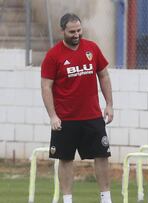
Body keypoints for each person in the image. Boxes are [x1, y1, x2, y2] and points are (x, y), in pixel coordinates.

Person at [41, 13, 114, 203]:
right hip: (65, 119)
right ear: (62, 31)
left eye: (79, 30)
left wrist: (109, 105)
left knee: (102, 155)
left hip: (92, 116)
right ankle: (67, 199)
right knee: (65, 159)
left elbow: (104, 76)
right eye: (72, 31)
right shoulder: (53, 56)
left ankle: (106, 198)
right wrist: (53, 116)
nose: (76, 35)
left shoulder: (92, 48)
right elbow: (46, 87)